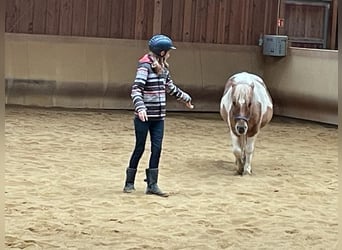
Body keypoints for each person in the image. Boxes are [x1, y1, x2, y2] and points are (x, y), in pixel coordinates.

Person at [123, 34, 194, 197]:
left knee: (157, 149)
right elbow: (136, 89)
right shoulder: (144, 67)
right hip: (144, 117)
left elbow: (170, 88)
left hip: (159, 117)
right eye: (168, 51)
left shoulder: (164, 69)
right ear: (162, 52)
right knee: (139, 147)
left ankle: (152, 184)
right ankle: (129, 182)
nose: (170, 54)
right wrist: (140, 108)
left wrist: (186, 98)